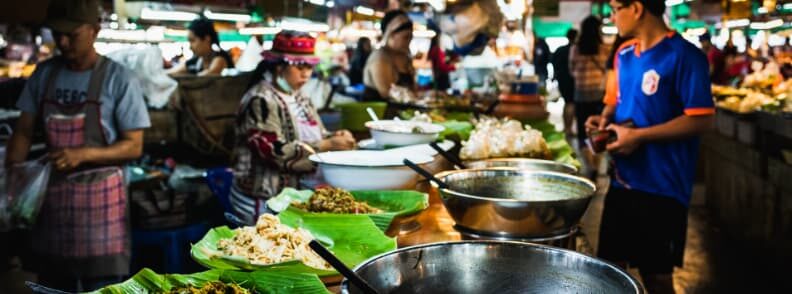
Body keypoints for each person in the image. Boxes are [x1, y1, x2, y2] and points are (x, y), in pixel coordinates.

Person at [5, 0, 150, 291]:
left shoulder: (118, 78)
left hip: (102, 209)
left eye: (72, 34)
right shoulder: (44, 75)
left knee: (103, 287)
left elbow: (134, 146)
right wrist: (12, 182)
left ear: (95, 31)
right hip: (52, 204)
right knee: (52, 284)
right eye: (58, 33)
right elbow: (22, 132)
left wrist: (83, 154)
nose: (63, 41)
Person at [586, 1, 715, 293]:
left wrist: (639, 137)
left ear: (637, 7)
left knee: (656, 277)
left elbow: (702, 120)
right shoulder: (624, 54)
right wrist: (602, 119)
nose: (612, 16)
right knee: (610, 272)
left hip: (662, 189)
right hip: (621, 184)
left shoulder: (685, 56)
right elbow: (614, 101)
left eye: (615, 8)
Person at [230, 31, 356, 224]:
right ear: (279, 67)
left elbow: (317, 134)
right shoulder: (260, 100)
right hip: (263, 200)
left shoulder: (301, 97)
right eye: (299, 67)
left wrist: (336, 136)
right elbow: (272, 151)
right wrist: (326, 144)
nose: (306, 73)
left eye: (309, 67)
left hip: (294, 196)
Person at [570, 16, 610, 178]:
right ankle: (597, 163)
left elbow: (571, 71)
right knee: (599, 131)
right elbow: (608, 72)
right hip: (599, 95)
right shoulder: (604, 48)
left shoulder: (575, 48)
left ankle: (589, 166)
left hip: (581, 94)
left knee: (582, 131)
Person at [363, 10, 415, 103]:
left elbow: (413, 89)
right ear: (390, 35)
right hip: (380, 115)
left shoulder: (405, 57)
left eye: (411, 37)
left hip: (402, 113)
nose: (409, 41)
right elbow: (386, 93)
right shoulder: (380, 57)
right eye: (405, 37)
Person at [167, 18, 234, 76]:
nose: (190, 47)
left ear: (207, 39)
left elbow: (210, 73)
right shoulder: (195, 61)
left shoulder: (220, 58)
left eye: (192, 41)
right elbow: (174, 71)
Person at [551, 29, 578, 135]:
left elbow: (553, 64)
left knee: (567, 103)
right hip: (573, 80)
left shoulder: (559, 50)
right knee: (571, 104)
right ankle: (569, 128)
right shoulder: (577, 50)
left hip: (562, 79)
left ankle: (567, 127)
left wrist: (554, 77)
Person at [428, 24, 456, 91]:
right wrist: (453, 67)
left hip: (437, 77)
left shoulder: (434, 49)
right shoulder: (436, 50)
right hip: (440, 78)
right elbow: (441, 66)